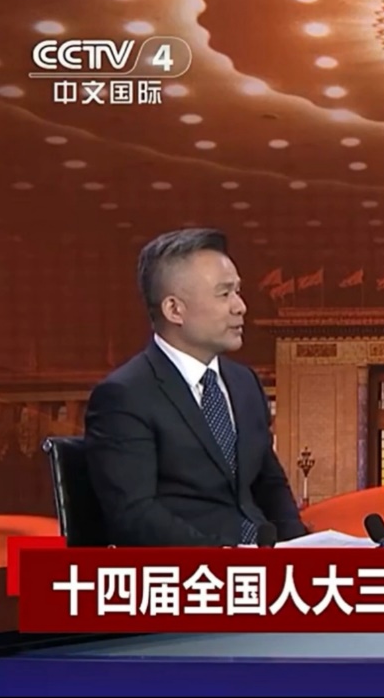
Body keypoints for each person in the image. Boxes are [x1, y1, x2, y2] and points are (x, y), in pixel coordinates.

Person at [84, 228, 308, 547]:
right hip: (194, 568)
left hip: (265, 562)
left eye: (238, 291)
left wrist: (303, 551)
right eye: (224, 294)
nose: (240, 306)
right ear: (174, 310)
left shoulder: (244, 383)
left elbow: (269, 485)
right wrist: (226, 558)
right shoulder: (125, 396)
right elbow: (135, 515)